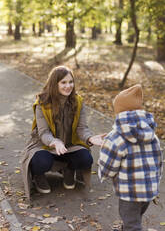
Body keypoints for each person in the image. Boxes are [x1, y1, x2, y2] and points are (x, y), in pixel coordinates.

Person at [21, 65, 104, 200]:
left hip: (69, 145)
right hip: (44, 145)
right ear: (55, 84)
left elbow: (82, 128)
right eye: (63, 82)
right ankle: (38, 176)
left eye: (71, 82)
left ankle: (68, 169)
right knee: (41, 161)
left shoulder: (78, 101)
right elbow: (43, 133)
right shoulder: (42, 103)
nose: (68, 86)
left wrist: (90, 138)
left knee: (86, 158)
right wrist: (54, 141)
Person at [98, 84, 163, 231]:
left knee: (131, 222)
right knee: (135, 217)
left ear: (119, 111)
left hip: (129, 192)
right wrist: (154, 181)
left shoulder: (116, 137)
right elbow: (158, 162)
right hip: (148, 190)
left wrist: (104, 174)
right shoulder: (152, 135)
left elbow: (109, 165)